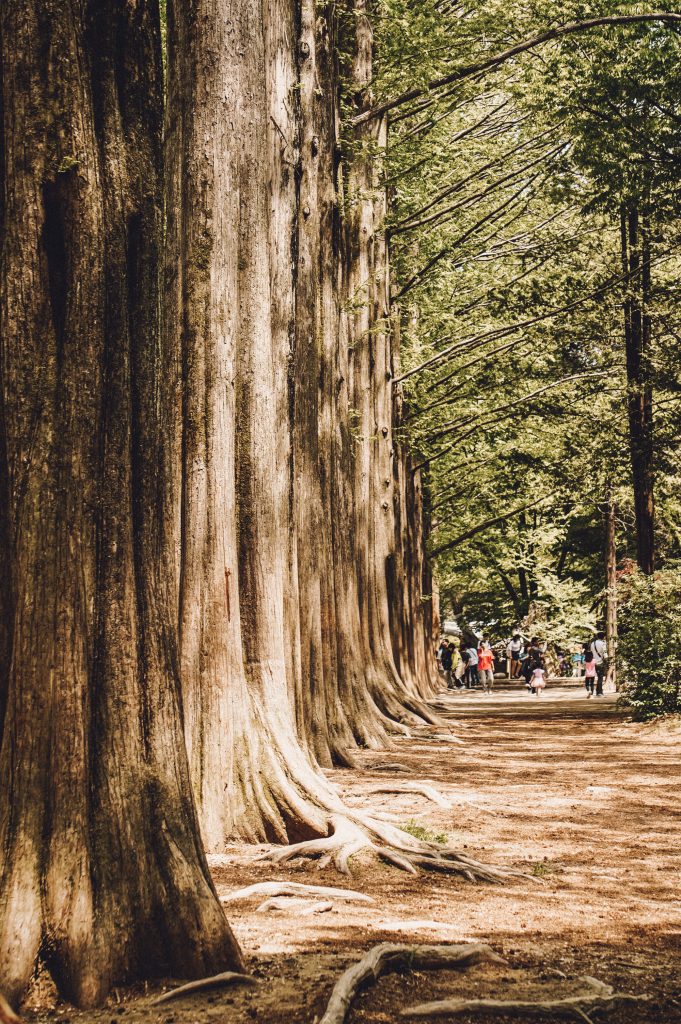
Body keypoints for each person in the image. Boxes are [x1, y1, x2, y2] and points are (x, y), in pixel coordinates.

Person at [591, 631, 608, 696]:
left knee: (596, 677)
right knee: (600, 677)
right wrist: (607, 661)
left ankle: (595, 691)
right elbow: (605, 653)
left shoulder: (593, 643)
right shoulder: (603, 643)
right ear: (603, 637)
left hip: (593, 662)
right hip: (600, 662)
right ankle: (599, 692)